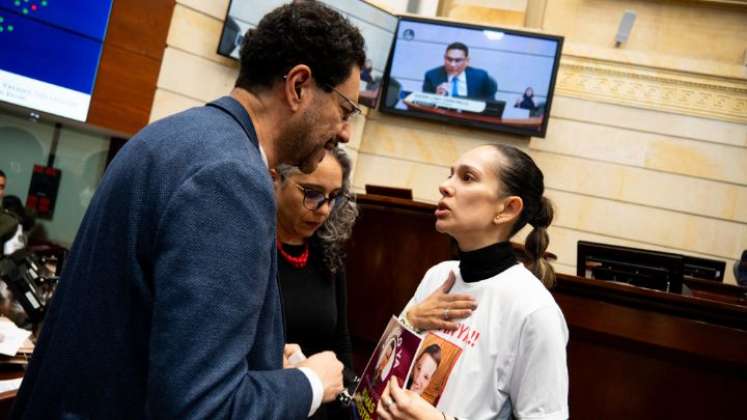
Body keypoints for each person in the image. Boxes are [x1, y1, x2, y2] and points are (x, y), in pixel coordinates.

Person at [12, 2, 366, 419]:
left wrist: (265, 365)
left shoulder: (172, 136)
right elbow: (202, 407)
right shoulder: (231, 177)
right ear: (299, 86)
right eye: (344, 110)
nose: (344, 131)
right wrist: (309, 382)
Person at [376, 144, 568, 420]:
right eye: (450, 174)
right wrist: (409, 320)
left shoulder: (535, 311)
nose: (444, 186)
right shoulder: (439, 275)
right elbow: (377, 380)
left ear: (507, 209)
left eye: (467, 178)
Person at [273, 147, 358, 420]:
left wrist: (354, 398)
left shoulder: (327, 255)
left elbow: (340, 343)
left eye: (333, 197)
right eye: (312, 194)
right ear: (276, 181)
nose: (324, 210)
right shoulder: (249, 250)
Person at [422, 42, 497, 101]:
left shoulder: (481, 77)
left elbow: (490, 105)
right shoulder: (432, 75)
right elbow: (423, 106)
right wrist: (435, 98)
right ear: (444, 58)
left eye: (457, 60)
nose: (452, 64)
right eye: (449, 59)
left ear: (467, 61)